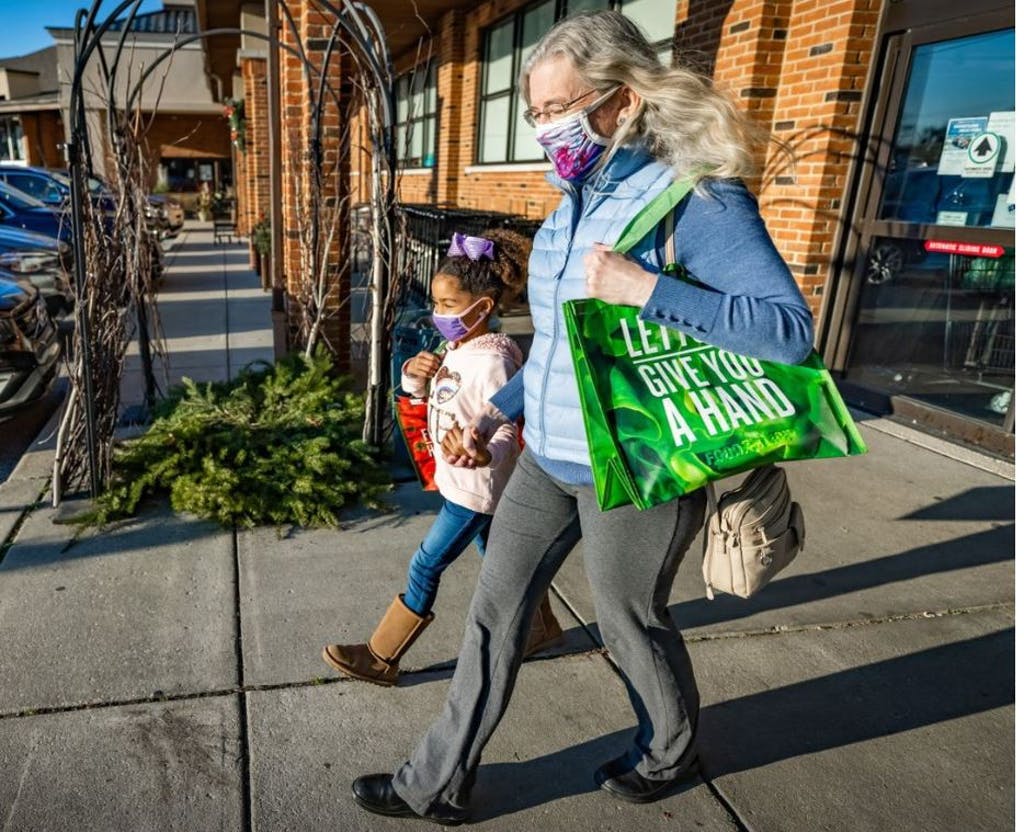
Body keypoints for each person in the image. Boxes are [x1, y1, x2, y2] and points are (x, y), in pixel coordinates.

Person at [351, 9, 814, 823]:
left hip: (634, 464)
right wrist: (498, 416)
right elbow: (564, 355)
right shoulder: (567, 210)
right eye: (533, 112)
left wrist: (647, 290)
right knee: (494, 618)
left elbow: (789, 332)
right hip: (546, 458)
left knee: (629, 624)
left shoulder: (693, 198)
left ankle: (670, 752)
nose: (542, 128)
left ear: (624, 99)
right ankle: (435, 783)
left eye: (557, 108)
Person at [322, 229, 564, 687]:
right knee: (500, 558)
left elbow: (509, 423)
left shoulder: (493, 363)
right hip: (460, 483)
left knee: (426, 564)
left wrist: (484, 453)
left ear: (484, 308)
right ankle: (540, 627)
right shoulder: (458, 347)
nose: (439, 314)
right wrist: (415, 378)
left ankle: (381, 655)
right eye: (436, 303)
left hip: (475, 490)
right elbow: (439, 401)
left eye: (449, 305)